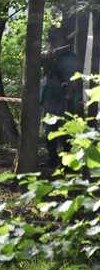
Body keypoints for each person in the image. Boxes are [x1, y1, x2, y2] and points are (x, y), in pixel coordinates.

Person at [40, 27, 82, 166]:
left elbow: (73, 80)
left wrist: (69, 96)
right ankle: (52, 159)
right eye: (52, 40)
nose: (52, 43)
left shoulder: (70, 58)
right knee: (49, 130)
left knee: (66, 131)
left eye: (55, 39)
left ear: (63, 40)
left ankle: (67, 162)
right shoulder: (51, 56)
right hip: (50, 98)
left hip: (64, 99)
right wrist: (46, 59)